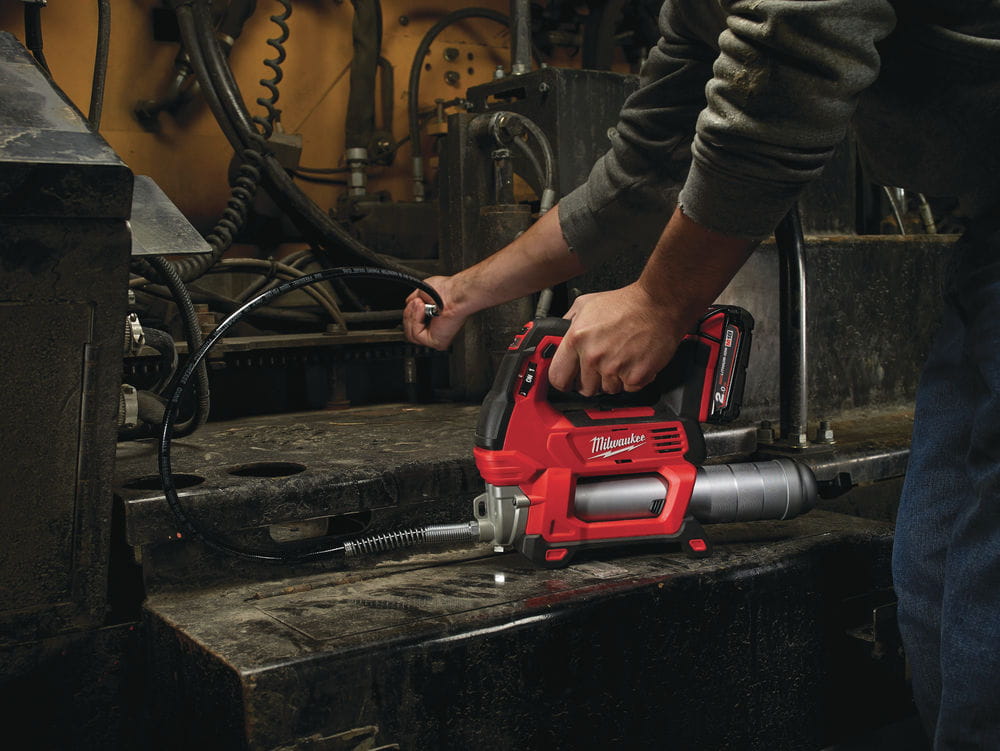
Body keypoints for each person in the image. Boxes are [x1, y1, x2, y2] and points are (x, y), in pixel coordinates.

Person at [402, 2, 1000, 748]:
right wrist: (466, 292)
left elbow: (785, 91)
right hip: (987, 241)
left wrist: (660, 302)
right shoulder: (695, 11)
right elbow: (638, 173)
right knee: (939, 582)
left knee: (984, 602)